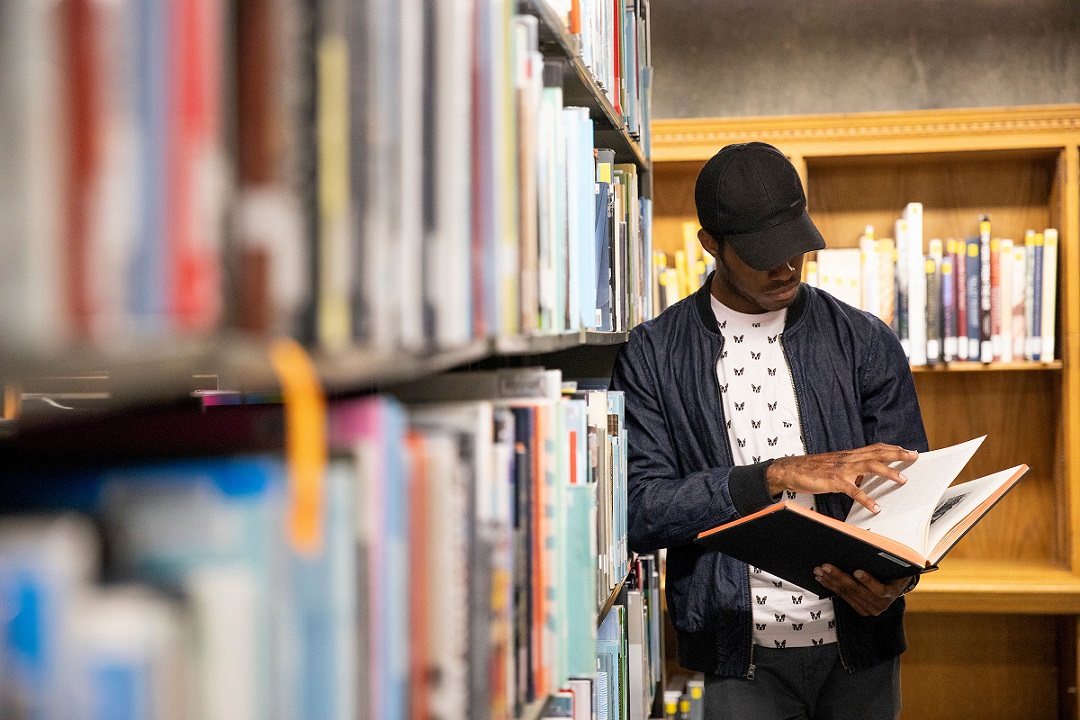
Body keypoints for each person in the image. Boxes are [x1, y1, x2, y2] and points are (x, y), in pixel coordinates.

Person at [611, 141, 928, 719]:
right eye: (763, 255)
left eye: (795, 248)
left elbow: (915, 493)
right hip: (738, 656)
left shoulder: (865, 341)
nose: (785, 267)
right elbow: (639, 510)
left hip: (864, 650)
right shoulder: (654, 354)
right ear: (710, 244)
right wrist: (773, 476)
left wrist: (897, 583)